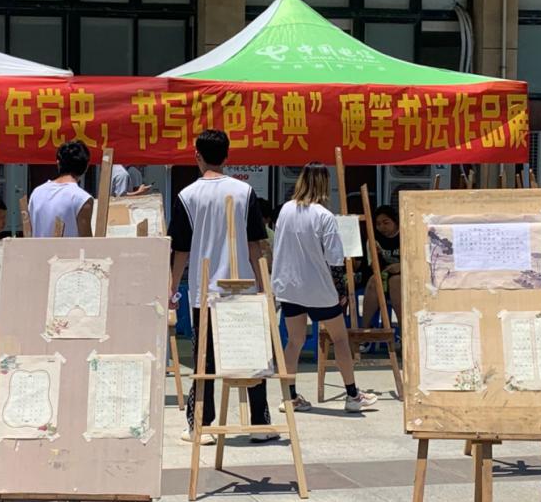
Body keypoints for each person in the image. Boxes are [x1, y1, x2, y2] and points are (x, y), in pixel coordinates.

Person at [168, 129, 275, 445]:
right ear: (227, 156)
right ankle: (259, 424)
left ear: (197, 155)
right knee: (252, 356)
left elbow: (181, 249)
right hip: (243, 286)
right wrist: (262, 286)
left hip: (205, 289)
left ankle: (200, 425)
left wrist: (172, 287)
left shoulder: (188, 195)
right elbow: (256, 244)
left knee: (205, 360)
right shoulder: (244, 191)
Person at [271, 164, 378, 413]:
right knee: (340, 339)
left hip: (289, 285)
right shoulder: (324, 216)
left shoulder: (285, 210)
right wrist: (341, 291)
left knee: (294, 341)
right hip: (319, 288)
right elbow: (335, 259)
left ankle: (289, 396)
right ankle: (352, 394)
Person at [29, 140, 94, 237]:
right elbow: (87, 241)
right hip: (69, 248)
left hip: (37, 247)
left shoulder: (37, 193)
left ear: (58, 163)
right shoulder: (82, 199)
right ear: (86, 167)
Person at [361, 204, 402, 328]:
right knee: (374, 280)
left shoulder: (405, 235)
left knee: (396, 281)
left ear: (395, 222)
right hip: (384, 276)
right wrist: (376, 256)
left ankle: (403, 329)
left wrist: (400, 266)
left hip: (405, 278)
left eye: (386, 223)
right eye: (378, 224)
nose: (382, 227)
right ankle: (365, 329)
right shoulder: (374, 238)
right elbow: (371, 267)